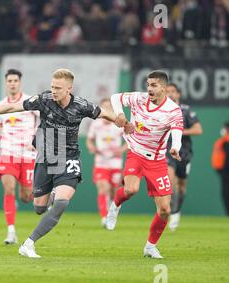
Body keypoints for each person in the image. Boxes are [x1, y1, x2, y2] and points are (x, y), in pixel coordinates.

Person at [0, 68, 121, 258]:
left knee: (61, 203)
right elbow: (12, 107)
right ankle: (51, 194)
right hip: (45, 158)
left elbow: (105, 113)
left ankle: (28, 244)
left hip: (69, 158)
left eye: (58, 88)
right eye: (52, 86)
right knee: (38, 207)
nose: (54, 91)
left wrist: (124, 123)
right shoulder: (44, 100)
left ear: (69, 88)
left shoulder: (81, 105)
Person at [106, 70, 184, 259]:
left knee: (165, 209)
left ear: (164, 88)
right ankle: (115, 205)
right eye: (148, 84)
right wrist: (120, 114)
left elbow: (177, 132)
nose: (149, 89)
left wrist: (175, 147)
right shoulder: (139, 99)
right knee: (131, 189)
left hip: (157, 161)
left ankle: (150, 246)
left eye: (154, 85)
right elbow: (115, 97)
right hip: (135, 152)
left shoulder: (173, 110)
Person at [0, 69, 39, 244]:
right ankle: (11, 231)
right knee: (8, 188)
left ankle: (42, 194)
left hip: (27, 155)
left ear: (20, 82)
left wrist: (36, 139)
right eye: (9, 80)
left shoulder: (30, 102)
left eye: (15, 80)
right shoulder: (0, 104)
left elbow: (43, 122)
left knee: (26, 197)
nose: (12, 83)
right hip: (8, 153)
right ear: (6, 83)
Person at [166, 83, 203, 230]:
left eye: (173, 91)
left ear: (178, 94)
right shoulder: (160, 110)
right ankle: (172, 213)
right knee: (170, 182)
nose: (170, 94)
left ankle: (177, 210)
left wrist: (179, 131)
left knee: (181, 186)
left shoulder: (186, 110)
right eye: (167, 91)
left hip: (184, 152)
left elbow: (198, 129)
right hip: (167, 151)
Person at [86, 98, 126, 227]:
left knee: (114, 191)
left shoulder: (119, 124)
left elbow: (130, 139)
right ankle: (104, 217)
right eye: (104, 107)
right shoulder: (95, 124)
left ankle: (112, 214)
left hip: (115, 163)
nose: (107, 109)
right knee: (103, 188)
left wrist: (122, 149)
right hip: (101, 162)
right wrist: (91, 147)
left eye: (109, 107)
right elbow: (89, 140)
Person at [212, 122, 229, 217]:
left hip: (228, 170)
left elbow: (228, 156)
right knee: (228, 192)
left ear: (227, 128)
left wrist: (225, 169)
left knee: (227, 193)